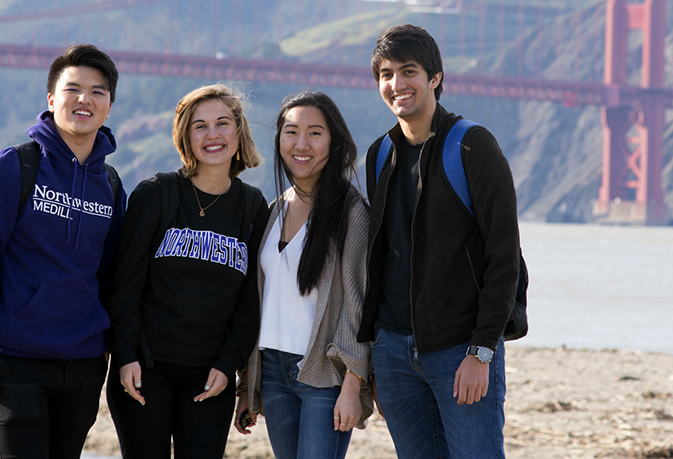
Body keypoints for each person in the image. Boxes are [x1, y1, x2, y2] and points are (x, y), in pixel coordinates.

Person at [0, 44, 125, 459]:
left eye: (97, 91)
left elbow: (110, 273)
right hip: (15, 361)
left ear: (109, 107)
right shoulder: (13, 166)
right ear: (51, 99)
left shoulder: (112, 186)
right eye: (73, 89)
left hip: (83, 365)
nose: (84, 99)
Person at [357, 24, 520, 458]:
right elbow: (381, 257)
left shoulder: (472, 146)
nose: (397, 84)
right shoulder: (378, 155)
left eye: (409, 71)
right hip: (392, 353)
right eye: (386, 74)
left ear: (435, 78)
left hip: (459, 348)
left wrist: (482, 349)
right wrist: (375, 351)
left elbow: (505, 258)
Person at [107, 84, 269, 459]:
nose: (213, 135)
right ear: (185, 137)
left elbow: (250, 299)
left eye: (222, 123)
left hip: (210, 377)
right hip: (145, 370)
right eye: (200, 126)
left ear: (238, 131)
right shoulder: (156, 194)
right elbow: (124, 285)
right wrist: (125, 354)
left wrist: (229, 365)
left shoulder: (252, 206)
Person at [234, 90, 373, 459]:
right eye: (291, 131)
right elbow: (263, 300)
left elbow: (358, 305)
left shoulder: (351, 212)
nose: (301, 144)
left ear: (334, 142)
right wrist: (248, 383)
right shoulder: (275, 208)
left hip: (325, 375)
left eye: (315, 133)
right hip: (273, 370)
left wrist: (351, 385)